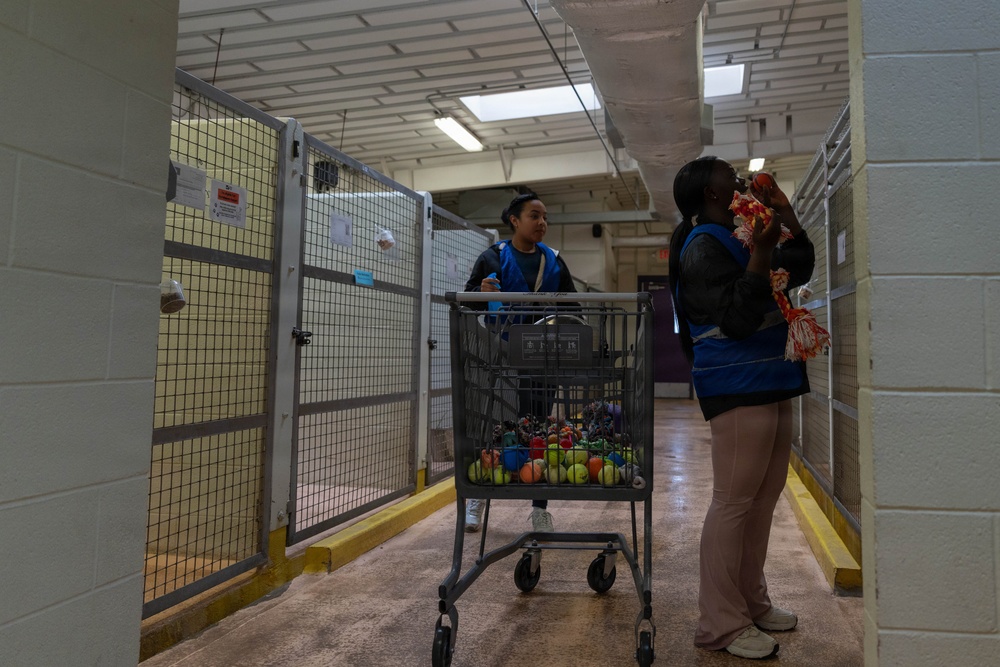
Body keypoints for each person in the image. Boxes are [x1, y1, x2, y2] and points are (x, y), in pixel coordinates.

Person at [668, 157, 815, 660]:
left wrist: (786, 218)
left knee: (764, 499)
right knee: (733, 502)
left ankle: (751, 601)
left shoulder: (740, 234)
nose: (742, 184)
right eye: (731, 179)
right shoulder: (702, 247)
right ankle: (720, 623)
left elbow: (801, 265)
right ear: (710, 194)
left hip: (773, 375)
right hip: (736, 380)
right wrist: (766, 249)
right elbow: (735, 319)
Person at [463, 192, 577, 534]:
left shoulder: (555, 260)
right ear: (514, 220)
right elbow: (469, 303)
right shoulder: (493, 257)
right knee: (493, 423)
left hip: (543, 358)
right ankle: (477, 499)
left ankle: (539, 508)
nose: (542, 223)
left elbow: (573, 308)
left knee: (538, 430)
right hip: (502, 356)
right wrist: (481, 292)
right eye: (534, 216)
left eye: (545, 218)